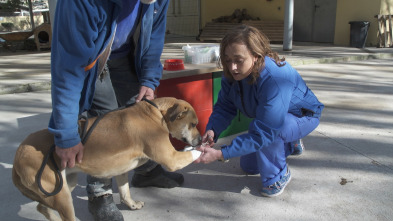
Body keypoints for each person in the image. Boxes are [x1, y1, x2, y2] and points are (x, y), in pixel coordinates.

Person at [48, 0, 182, 220]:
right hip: (91, 58)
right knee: (106, 120)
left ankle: (145, 171)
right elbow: (67, 70)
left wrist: (149, 79)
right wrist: (65, 135)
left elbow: (155, 35)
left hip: (124, 54)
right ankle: (100, 194)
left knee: (142, 113)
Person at [194, 25, 324, 197]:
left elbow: (265, 132)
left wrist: (221, 153)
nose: (232, 67)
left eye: (238, 60)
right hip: (277, 119)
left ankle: (278, 177)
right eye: (227, 59)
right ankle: (291, 143)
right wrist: (213, 130)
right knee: (249, 166)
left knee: (267, 133)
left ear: (255, 56)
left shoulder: (275, 78)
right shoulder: (232, 75)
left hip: (304, 115)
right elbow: (225, 106)